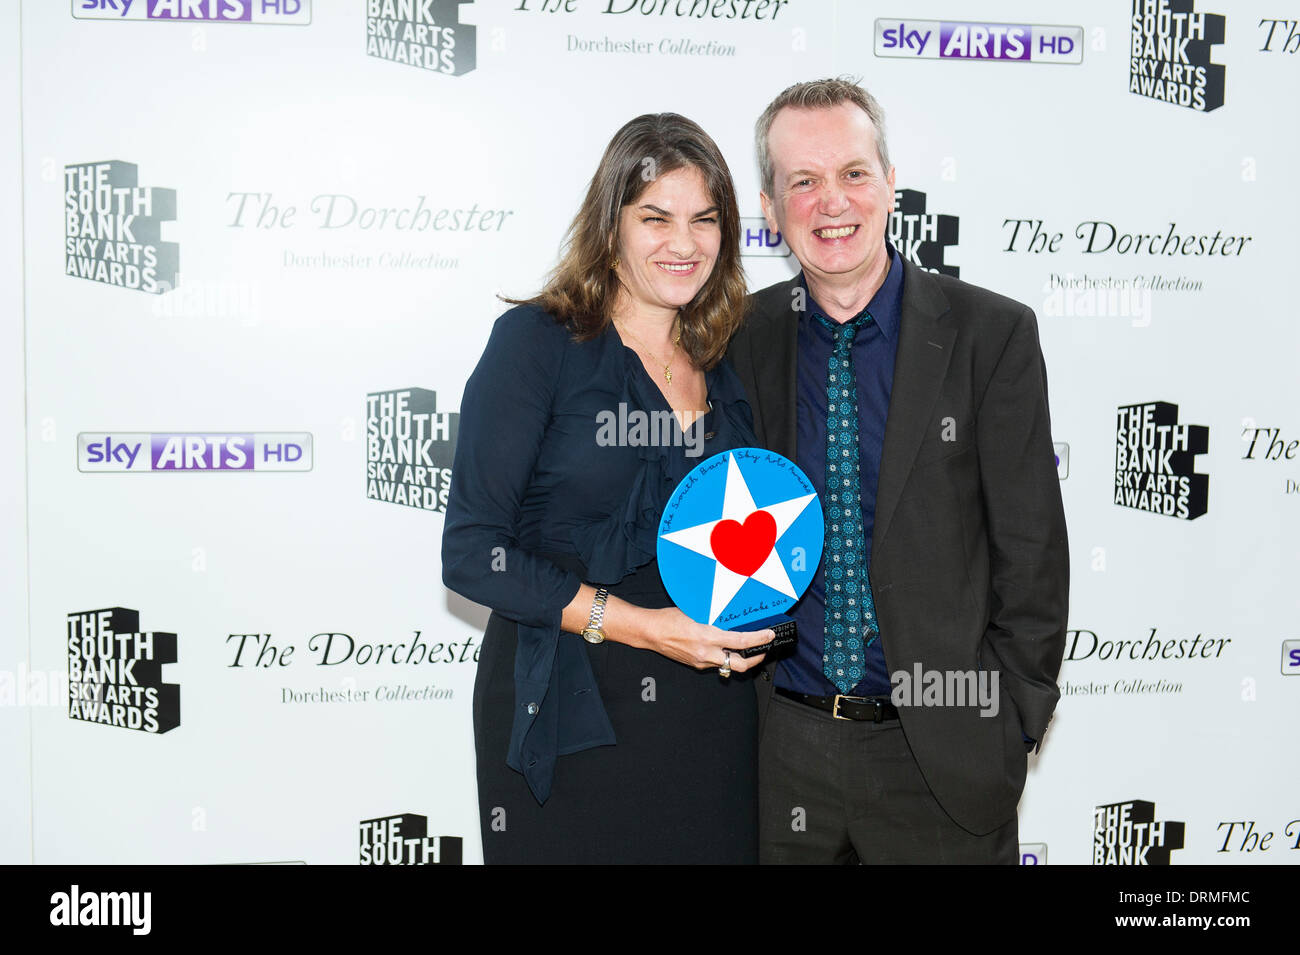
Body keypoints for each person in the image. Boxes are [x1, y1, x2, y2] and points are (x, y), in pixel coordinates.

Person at [727, 78, 1069, 864]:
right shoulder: (741, 339)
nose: (830, 201)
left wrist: (1008, 721)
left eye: (852, 172)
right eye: (801, 181)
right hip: (781, 758)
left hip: (940, 761)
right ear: (771, 210)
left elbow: (1034, 555)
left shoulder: (992, 335)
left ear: (889, 185)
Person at [441, 113, 772, 864]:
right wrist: (641, 625)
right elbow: (470, 553)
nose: (683, 244)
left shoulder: (723, 359)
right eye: (655, 217)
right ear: (610, 224)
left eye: (704, 219)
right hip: (569, 708)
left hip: (711, 720)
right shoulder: (538, 343)